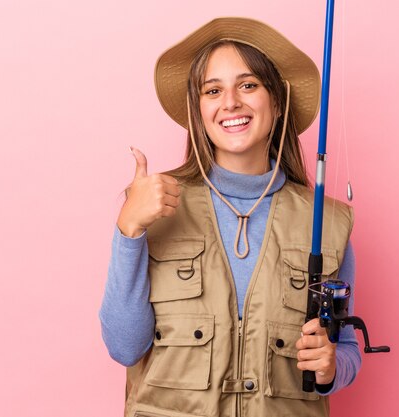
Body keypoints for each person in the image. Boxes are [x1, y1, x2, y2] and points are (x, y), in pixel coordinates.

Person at [100, 17, 361, 417]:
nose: (231, 102)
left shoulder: (326, 224)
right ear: (198, 109)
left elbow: (345, 352)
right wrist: (129, 228)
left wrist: (331, 366)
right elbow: (124, 346)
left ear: (277, 101)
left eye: (248, 85)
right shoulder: (152, 206)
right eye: (213, 90)